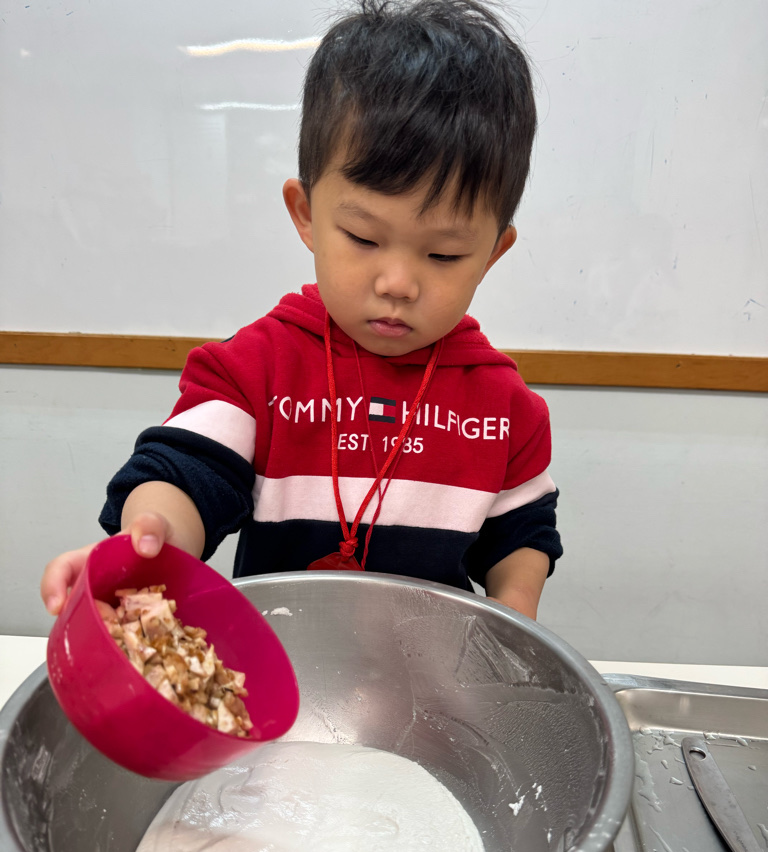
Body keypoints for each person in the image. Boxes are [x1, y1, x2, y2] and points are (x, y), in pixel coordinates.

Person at [41, 0, 562, 622]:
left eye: (444, 254)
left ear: (494, 252)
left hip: (433, 667)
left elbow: (521, 535)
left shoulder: (504, 405)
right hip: (278, 661)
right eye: (363, 238)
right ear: (306, 215)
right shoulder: (256, 368)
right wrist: (151, 544)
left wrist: (514, 611)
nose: (398, 283)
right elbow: (187, 474)